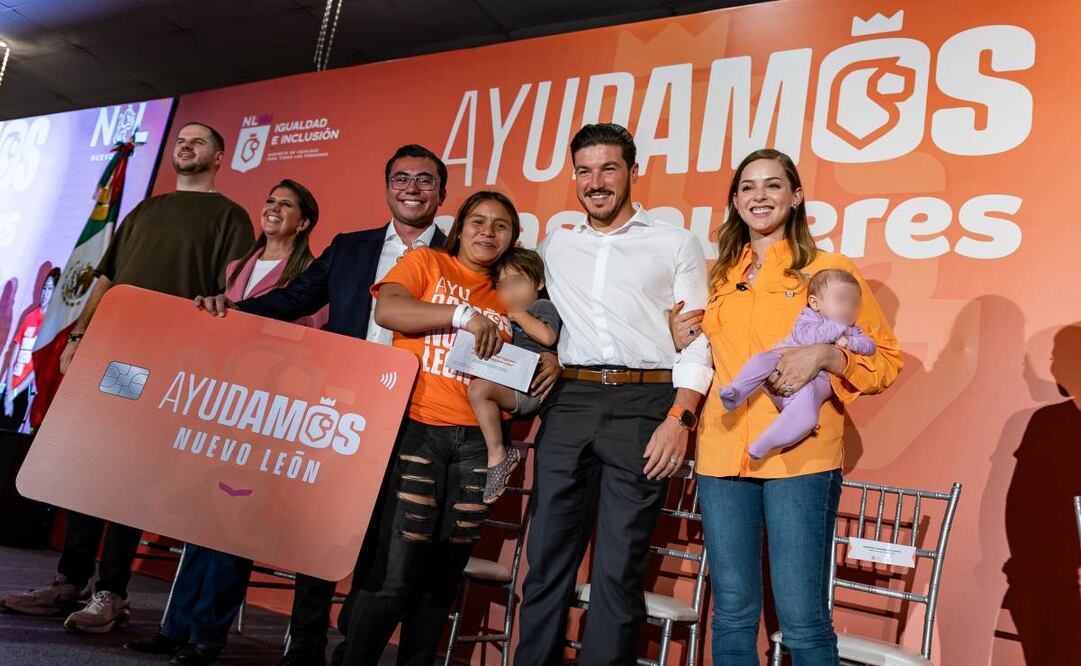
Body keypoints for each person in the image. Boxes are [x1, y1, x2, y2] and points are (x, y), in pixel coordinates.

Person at [0, 122, 253, 634]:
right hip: (115, 360)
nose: (185, 146)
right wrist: (78, 338)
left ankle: (112, 593)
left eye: (199, 141)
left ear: (220, 157)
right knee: (93, 467)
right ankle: (69, 582)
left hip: (171, 364)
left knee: (129, 478)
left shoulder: (231, 217)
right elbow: (107, 280)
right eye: (181, 139)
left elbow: (236, 293)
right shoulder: (146, 209)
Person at [690, 148, 902, 665]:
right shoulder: (720, 275)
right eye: (747, 187)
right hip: (722, 455)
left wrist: (829, 355)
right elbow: (711, 356)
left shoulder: (829, 270)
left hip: (800, 460)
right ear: (735, 201)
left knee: (803, 621)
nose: (759, 196)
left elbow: (886, 361)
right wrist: (681, 333)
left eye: (772, 185)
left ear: (796, 196)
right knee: (733, 614)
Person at [514, 123, 713, 665]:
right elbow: (542, 316)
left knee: (618, 568)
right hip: (571, 401)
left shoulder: (675, 242)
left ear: (632, 171)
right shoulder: (557, 244)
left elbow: (697, 340)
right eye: (584, 170)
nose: (595, 181)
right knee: (547, 558)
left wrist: (681, 417)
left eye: (608, 168)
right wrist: (547, 354)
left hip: (643, 407)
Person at [126, 179, 326, 665]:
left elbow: (315, 338)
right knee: (200, 522)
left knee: (231, 529)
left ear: (304, 222)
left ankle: (206, 637)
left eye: (287, 204)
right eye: (270, 199)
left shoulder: (310, 275)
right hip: (219, 405)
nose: (274, 208)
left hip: (265, 412)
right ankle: (175, 629)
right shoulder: (236, 266)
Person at [340, 190, 529, 666]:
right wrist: (459, 314)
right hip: (417, 430)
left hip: (477, 446)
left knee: (441, 580)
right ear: (460, 228)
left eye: (501, 225)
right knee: (395, 574)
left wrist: (543, 361)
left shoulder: (511, 292)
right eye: (478, 222)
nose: (488, 232)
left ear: (513, 237)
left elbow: (527, 360)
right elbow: (388, 311)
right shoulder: (427, 263)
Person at [717, 268, 877, 459]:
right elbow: (807, 337)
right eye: (841, 300)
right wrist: (837, 329)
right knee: (761, 360)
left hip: (815, 384)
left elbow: (870, 346)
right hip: (778, 364)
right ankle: (736, 392)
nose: (848, 308)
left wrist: (851, 342)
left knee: (807, 415)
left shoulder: (852, 329)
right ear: (815, 303)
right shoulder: (809, 317)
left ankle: (766, 442)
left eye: (853, 304)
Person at [467, 247, 560, 503]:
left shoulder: (542, 305)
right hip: (511, 383)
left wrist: (517, 314)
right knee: (476, 389)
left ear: (538, 281)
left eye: (518, 281)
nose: (510, 293)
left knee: (479, 390)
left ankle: (498, 454)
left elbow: (547, 336)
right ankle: (497, 452)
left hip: (531, 389)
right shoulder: (499, 313)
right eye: (502, 286)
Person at [1, 268, 59, 432]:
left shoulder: (51, 323)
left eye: (50, 289)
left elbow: (37, 367)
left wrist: (15, 393)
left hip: (23, 390)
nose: (45, 293)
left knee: (9, 435)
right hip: (10, 386)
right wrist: (8, 391)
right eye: (44, 288)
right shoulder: (29, 316)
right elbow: (14, 356)